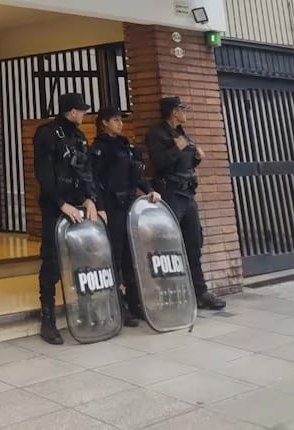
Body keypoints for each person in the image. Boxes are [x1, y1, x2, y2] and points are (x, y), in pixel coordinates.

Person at [32, 92, 103, 345]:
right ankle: (48, 319)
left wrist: (90, 198)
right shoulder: (47, 134)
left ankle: (84, 310)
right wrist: (61, 204)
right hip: (56, 208)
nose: (84, 114)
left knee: (82, 262)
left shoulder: (79, 137)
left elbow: (86, 172)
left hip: (78, 208)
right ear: (71, 111)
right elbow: (43, 174)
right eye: (81, 110)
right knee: (51, 262)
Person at [145, 96, 226, 310]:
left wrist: (197, 158)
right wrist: (177, 148)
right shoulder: (157, 134)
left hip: (188, 194)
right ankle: (170, 292)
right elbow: (159, 163)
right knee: (168, 245)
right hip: (170, 194)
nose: (185, 113)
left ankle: (200, 292)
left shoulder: (181, 133)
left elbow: (185, 163)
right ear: (173, 111)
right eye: (182, 109)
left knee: (194, 243)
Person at [90, 106, 161, 327]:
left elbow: (137, 173)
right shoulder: (98, 149)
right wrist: (99, 206)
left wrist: (149, 189)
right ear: (104, 123)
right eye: (115, 120)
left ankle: (133, 300)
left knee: (131, 254)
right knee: (116, 256)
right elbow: (93, 180)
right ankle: (117, 303)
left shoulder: (125, 145)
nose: (120, 123)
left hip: (130, 205)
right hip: (113, 208)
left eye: (121, 119)